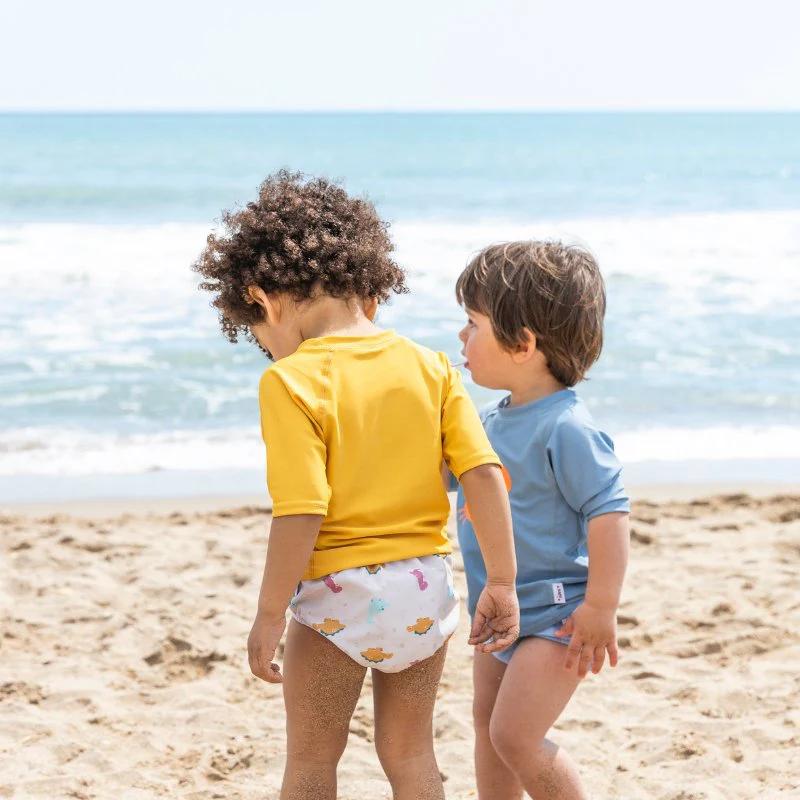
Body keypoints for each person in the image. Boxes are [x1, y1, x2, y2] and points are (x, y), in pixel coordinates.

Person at [193, 170, 519, 800]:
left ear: (262, 298)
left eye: (259, 334)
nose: (269, 350)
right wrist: (501, 581)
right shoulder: (432, 367)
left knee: (313, 761)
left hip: (337, 596)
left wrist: (267, 614)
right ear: (367, 288)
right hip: (424, 588)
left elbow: (301, 511)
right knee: (411, 754)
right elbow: (481, 475)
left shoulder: (290, 382)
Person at [453, 240, 631, 799]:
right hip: (497, 608)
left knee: (516, 736)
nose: (462, 337)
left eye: (472, 323)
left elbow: (609, 512)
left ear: (523, 343)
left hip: (558, 615)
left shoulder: (567, 427)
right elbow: (447, 478)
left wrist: (600, 606)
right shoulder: (487, 420)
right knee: (486, 723)